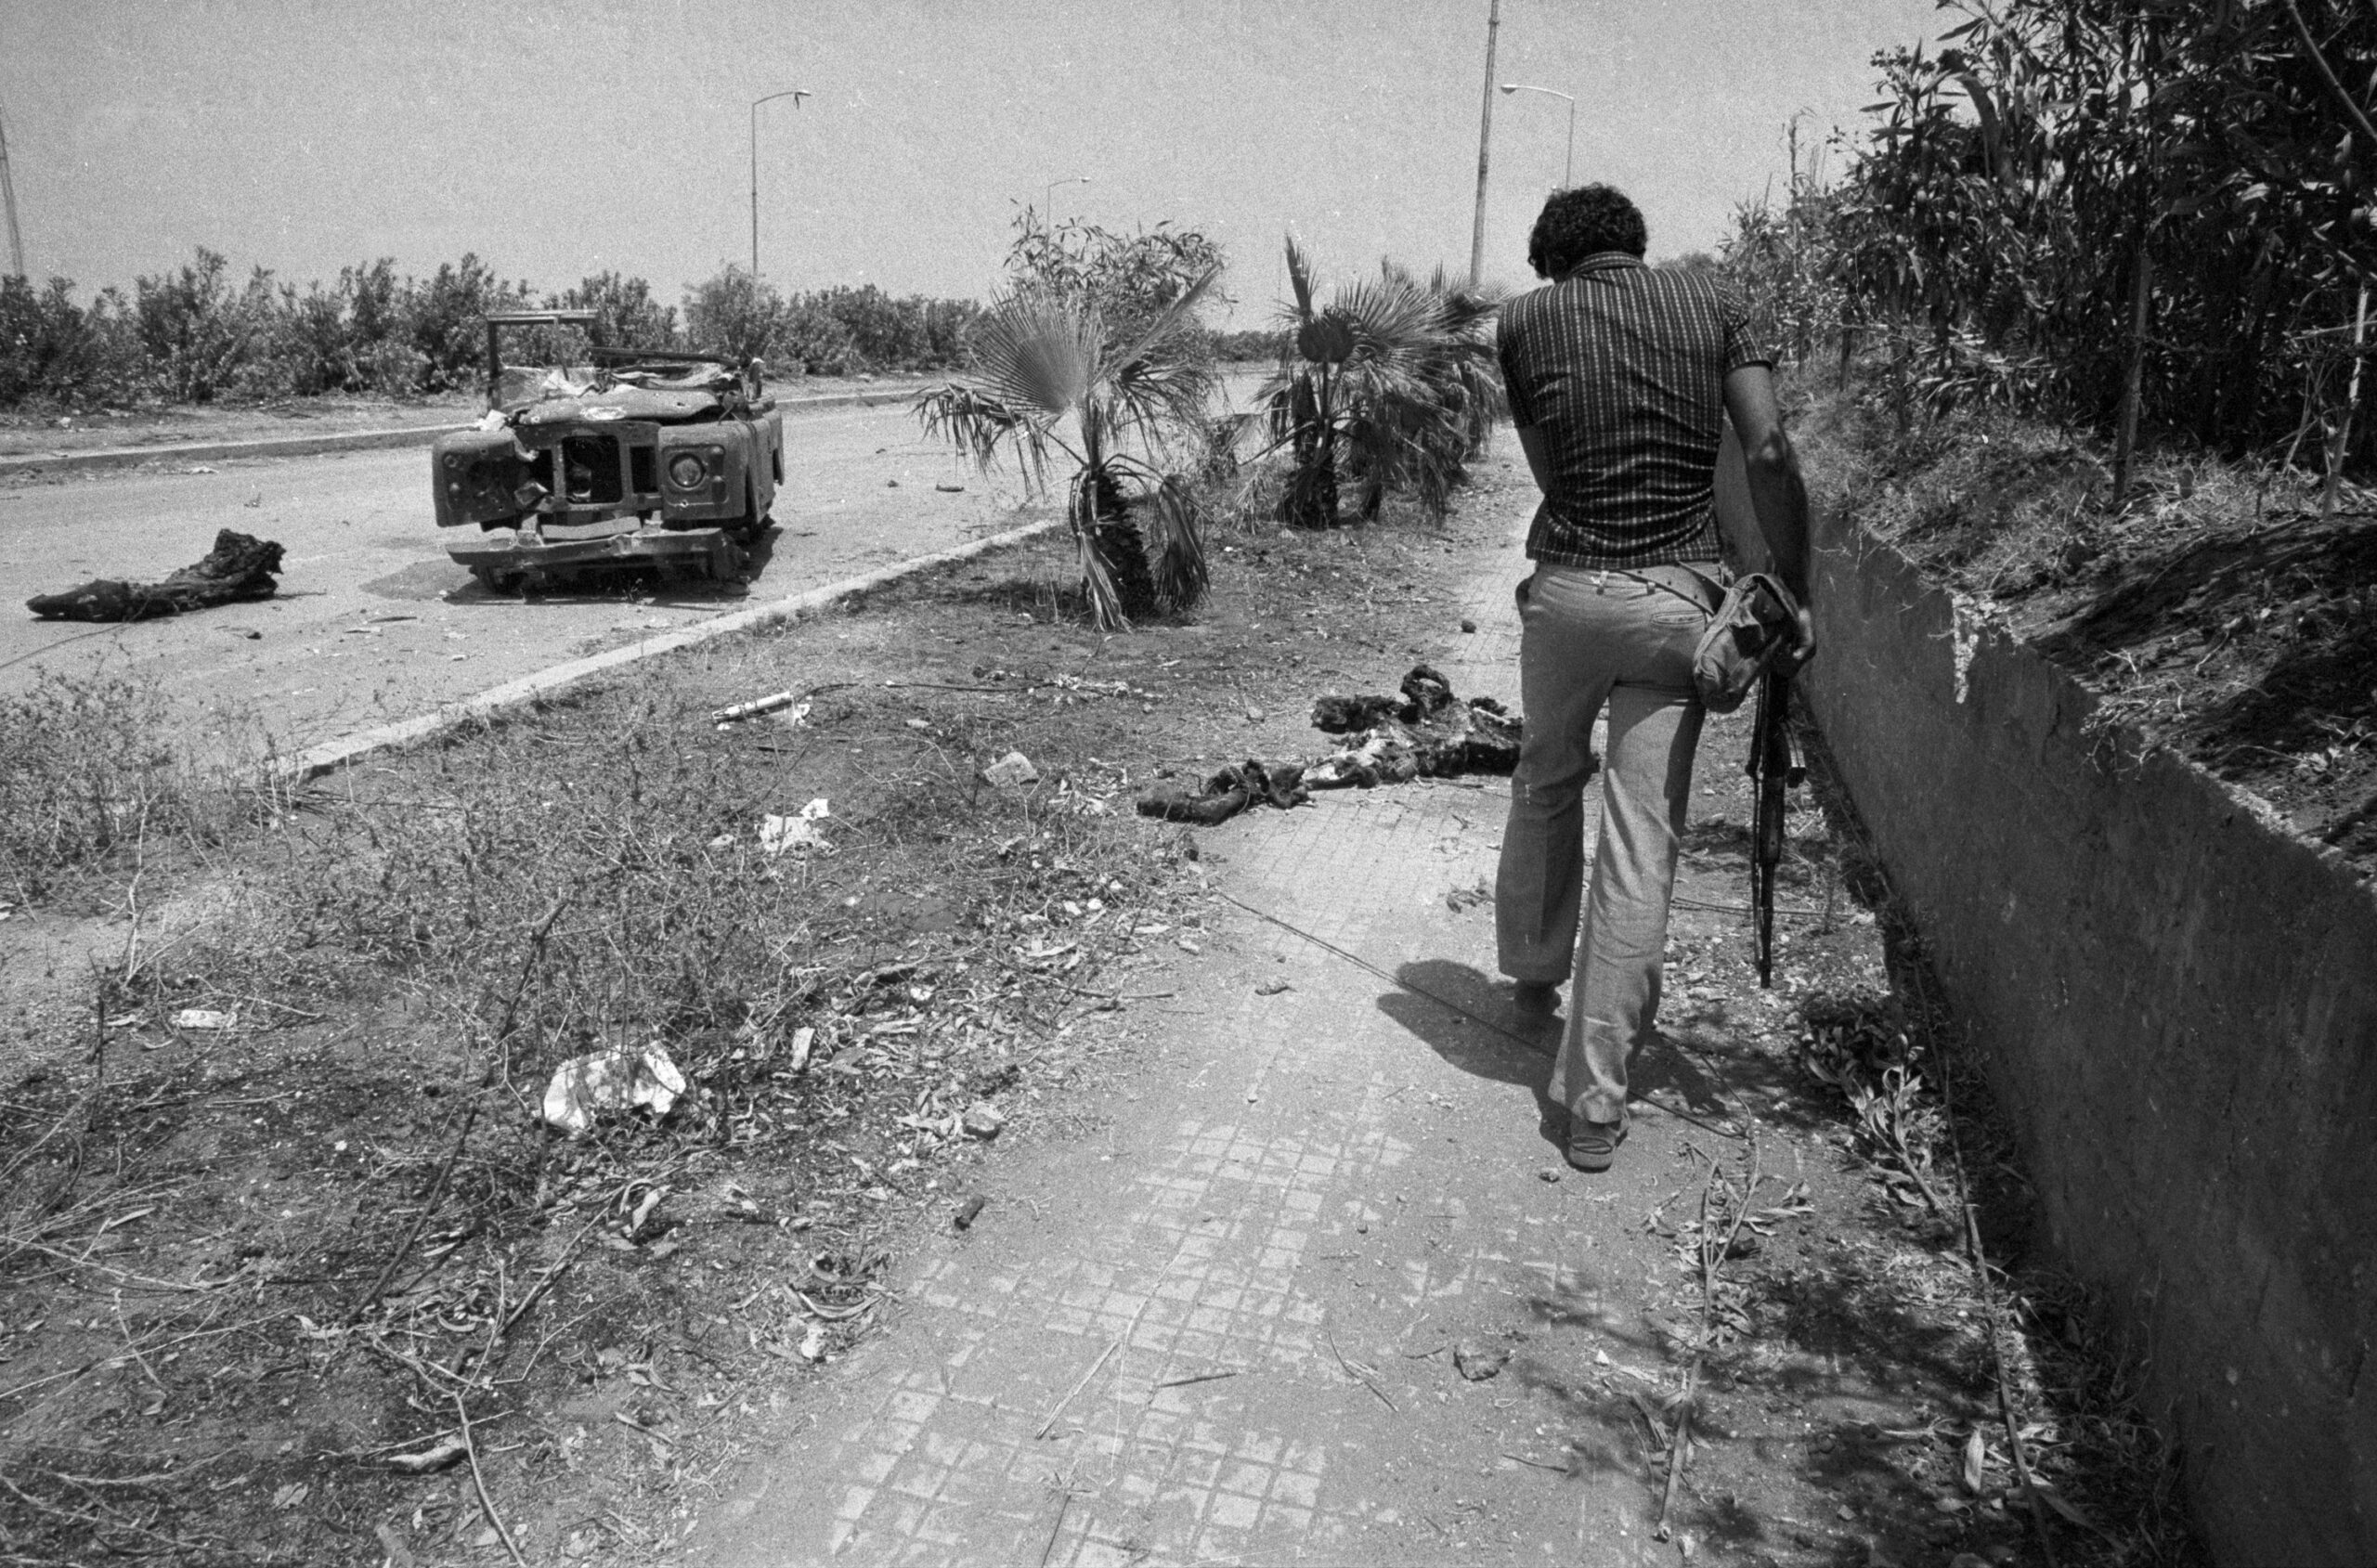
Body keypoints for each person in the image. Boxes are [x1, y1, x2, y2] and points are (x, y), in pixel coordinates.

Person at [1491, 184, 1815, 1173]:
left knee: (1547, 775)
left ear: (1554, 258)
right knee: (1641, 840)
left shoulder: (1522, 321)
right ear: (1636, 243)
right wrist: (1791, 591)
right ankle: (1593, 1105)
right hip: (1679, 605)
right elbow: (1764, 445)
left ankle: (1535, 976)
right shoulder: (1712, 304)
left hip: (1567, 597)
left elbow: (1549, 473)